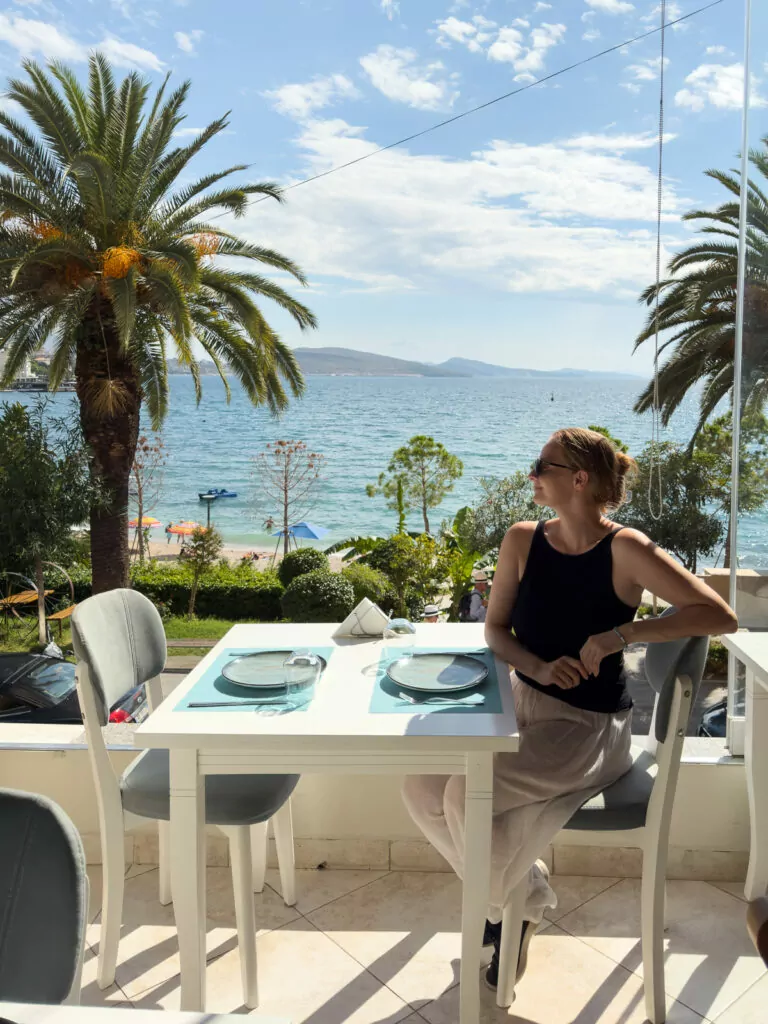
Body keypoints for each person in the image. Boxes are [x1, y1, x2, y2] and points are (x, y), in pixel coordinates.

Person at [401, 427, 737, 991]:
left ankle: (495, 915)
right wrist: (534, 667)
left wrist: (620, 635)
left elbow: (718, 616)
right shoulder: (522, 539)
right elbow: (495, 631)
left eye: (543, 465)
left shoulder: (626, 549)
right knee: (419, 783)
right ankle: (519, 898)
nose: (532, 473)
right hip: (518, 709)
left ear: (579, 479)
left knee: (464, 794)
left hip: (588, 731)